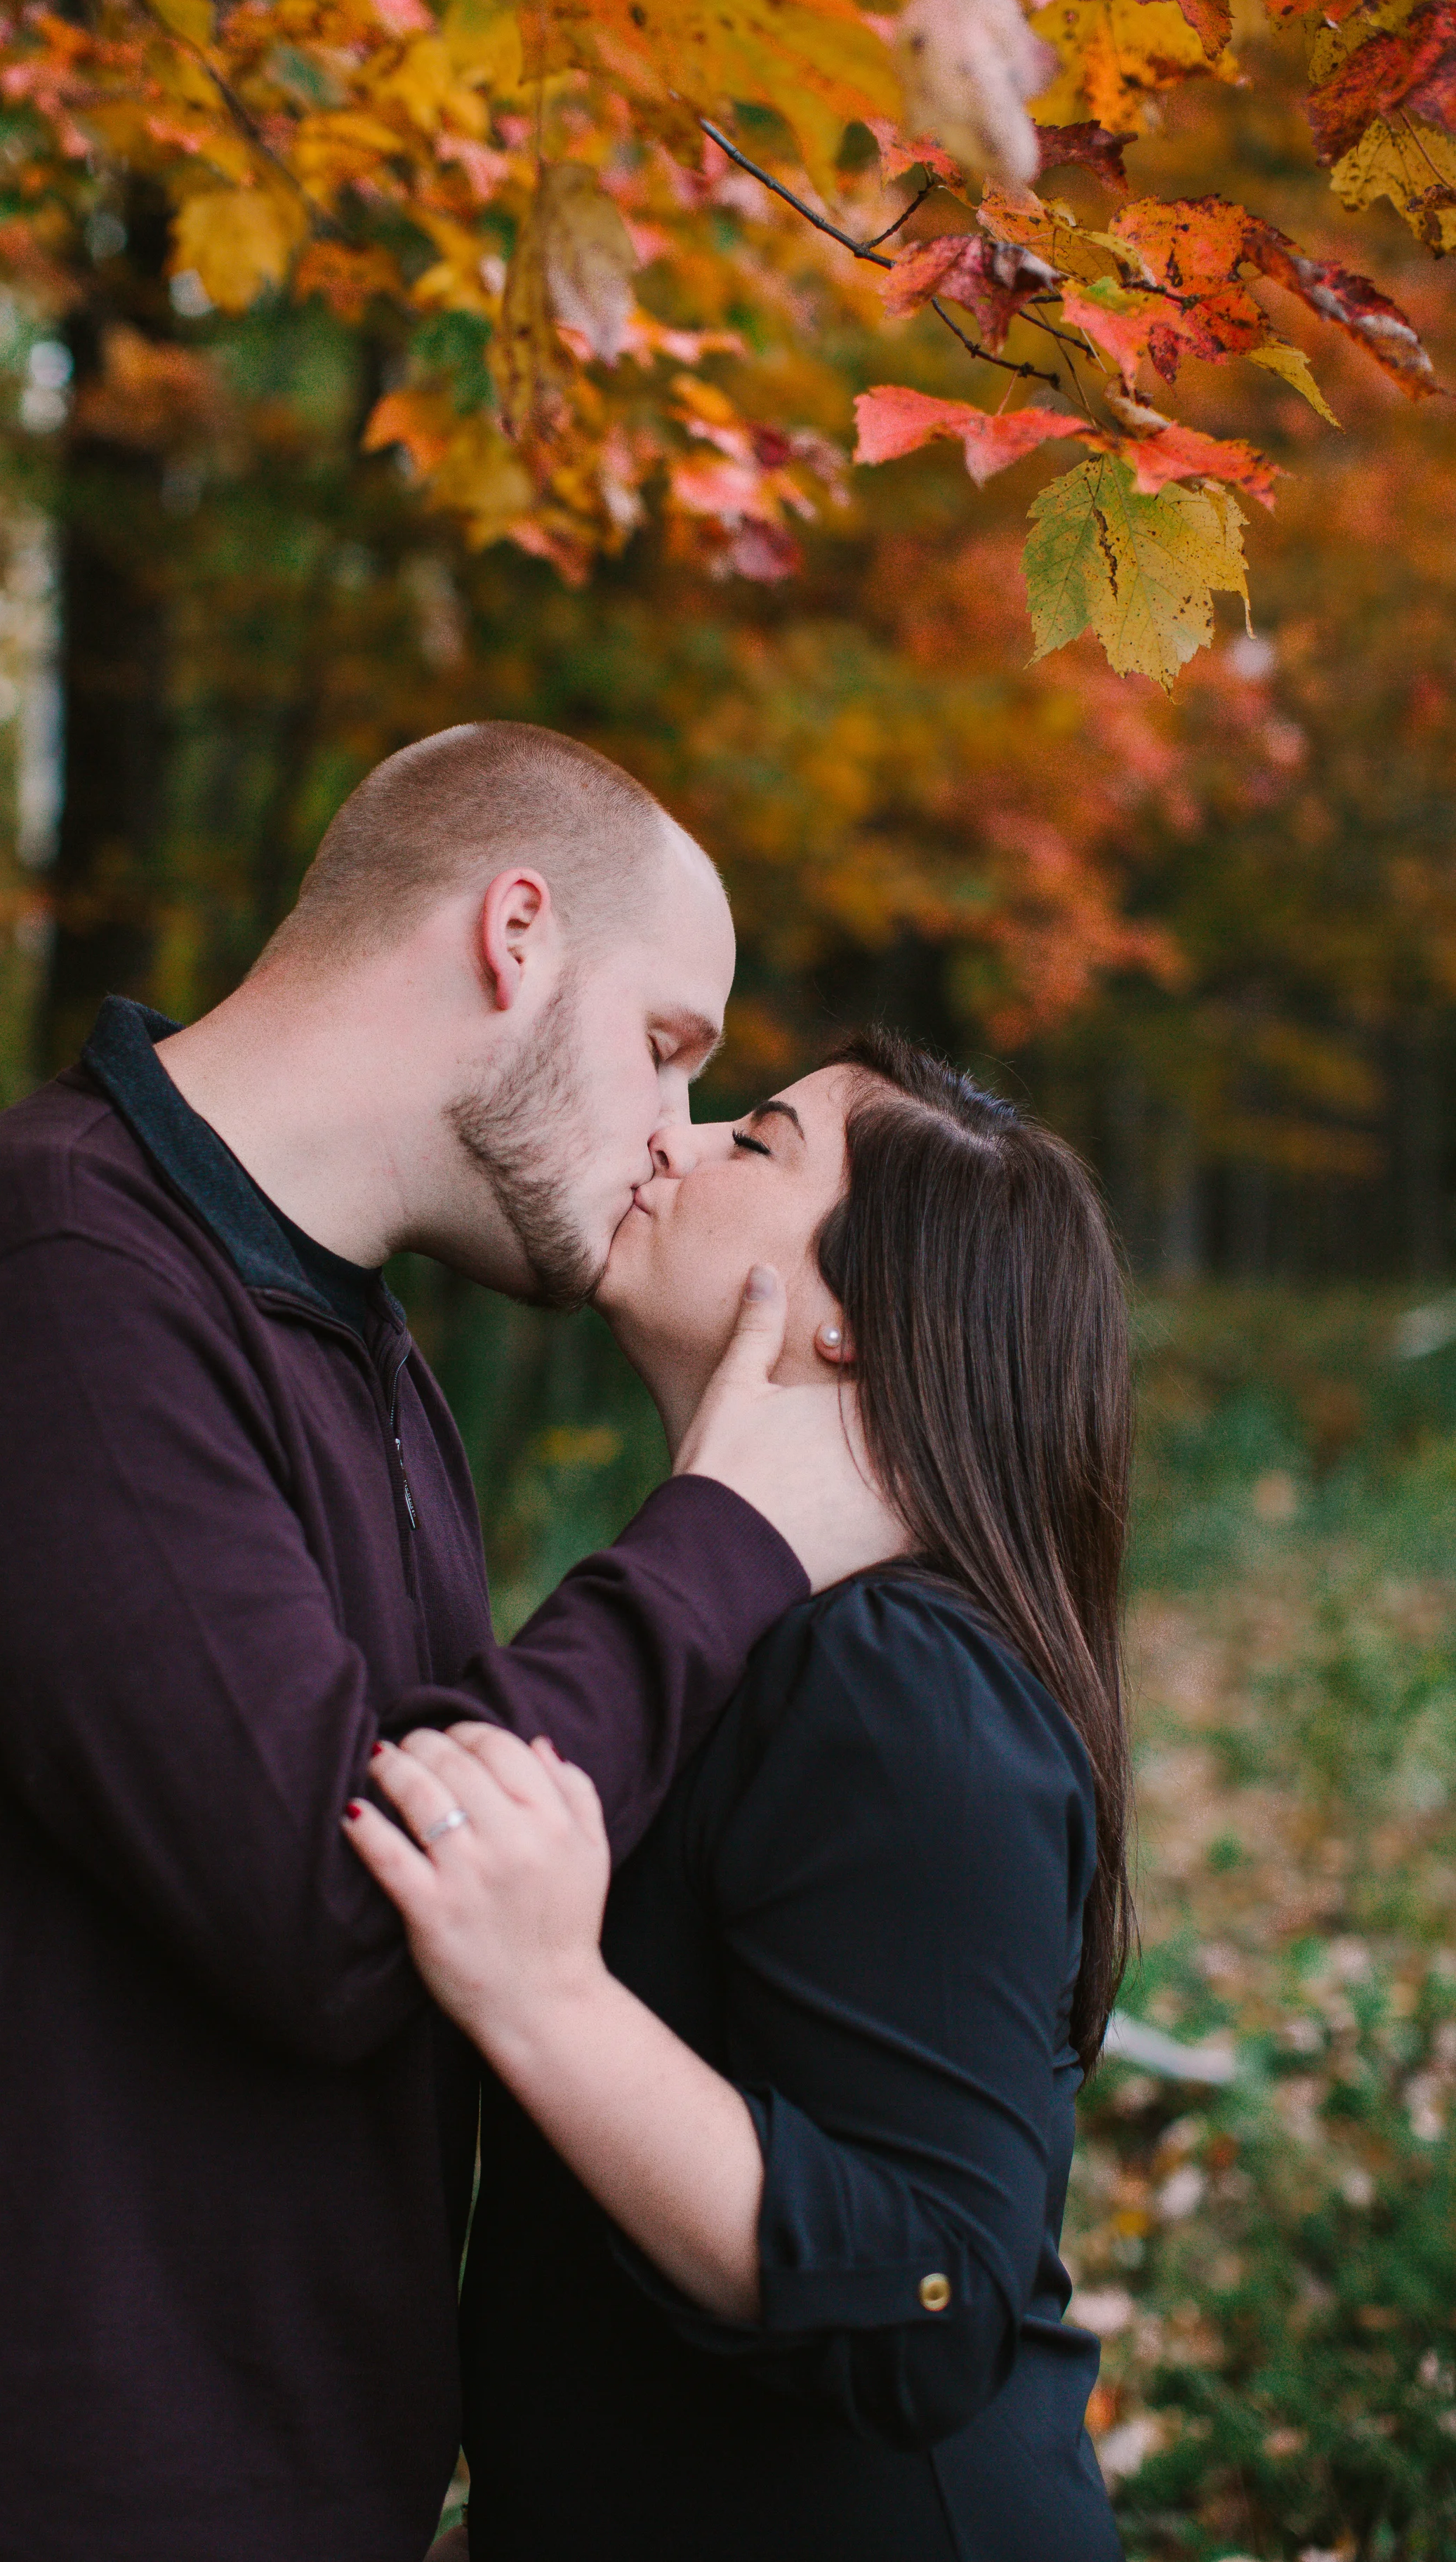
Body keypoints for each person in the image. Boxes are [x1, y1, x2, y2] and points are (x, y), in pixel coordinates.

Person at [0, 725, 891, 2562]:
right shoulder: (38, 1280)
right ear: (515, 931)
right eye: (666, 1044)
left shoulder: (360, 1354)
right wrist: (730, 1529)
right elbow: (348, 1899)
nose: (676, 1133)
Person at [348, 1027, 1134, 2562]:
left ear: (853, 1318)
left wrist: (548, 1999)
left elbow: (928, 2302)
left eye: (752, 1142)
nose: (673, 1140)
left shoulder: (895, 1675)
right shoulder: (753, 1634)